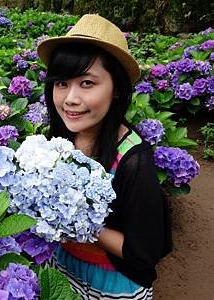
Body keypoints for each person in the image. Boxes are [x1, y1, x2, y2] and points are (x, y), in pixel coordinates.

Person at [37, 14, 172, 299]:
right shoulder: (56, 142)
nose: (70, 98)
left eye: (87, 83)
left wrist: (79, 220)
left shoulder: (133, 161)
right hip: (61, 267)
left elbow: (143, 251)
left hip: (111, 284)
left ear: (117, 91)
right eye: (61, 83)